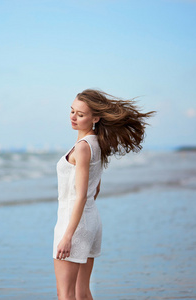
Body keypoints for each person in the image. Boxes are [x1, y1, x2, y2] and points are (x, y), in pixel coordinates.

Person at [53, 89, 155, 300]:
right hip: (91, 222)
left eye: (80, 114)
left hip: (73, 223)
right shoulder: (97, 144)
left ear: (95, 118)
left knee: (65, 295)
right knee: (82, 292)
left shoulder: (82, 148)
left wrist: (68, 235)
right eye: (72, 111)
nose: (73, 117)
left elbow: (81, 196)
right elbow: (95, 188)